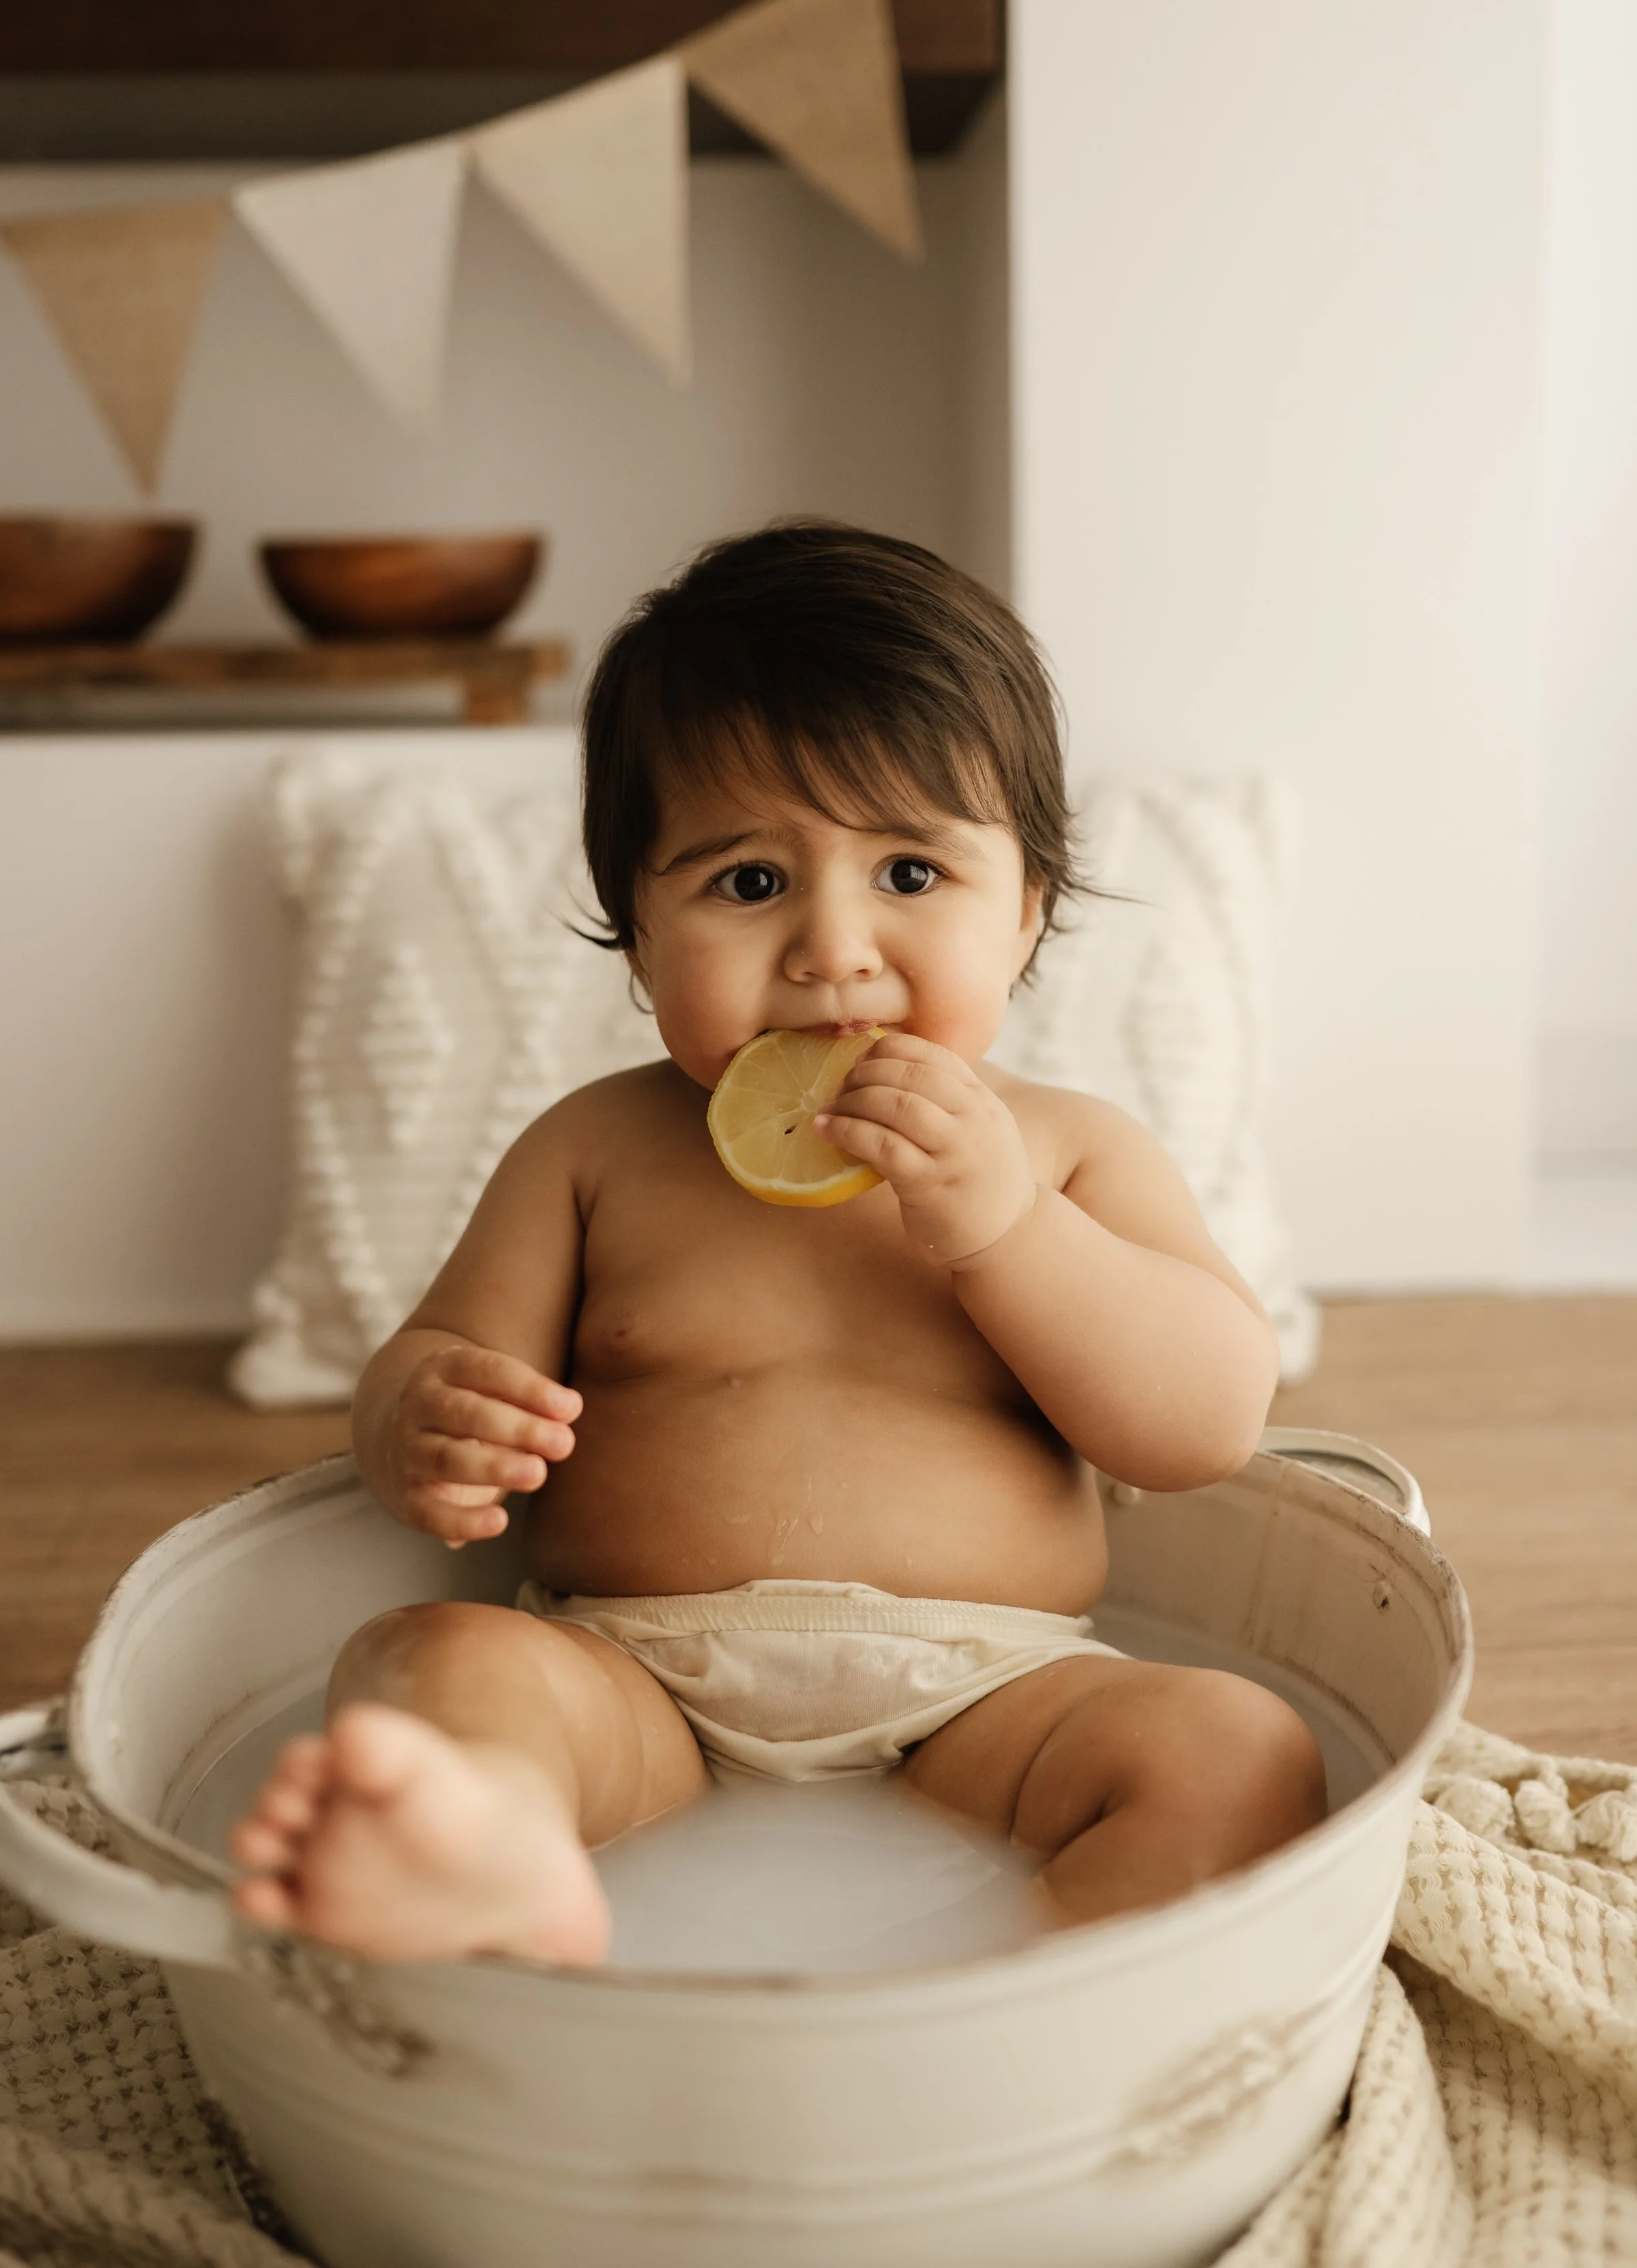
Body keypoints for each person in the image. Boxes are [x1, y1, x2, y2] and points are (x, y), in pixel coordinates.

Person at [230, 521, 1325, 1964]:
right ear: (637, 936)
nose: (831, 947)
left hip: (995, 1699)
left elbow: (1203, 1423)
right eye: (748, 882)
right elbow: (432, 1359)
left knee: (1238, 1748)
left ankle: (1021, 1980)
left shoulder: (1063, 1152)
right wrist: (423, 1423)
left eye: (912, 875)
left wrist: (1007, 1231)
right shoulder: (592, 1152)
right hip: (631, 1685)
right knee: (429, 1663)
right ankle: (497, 1853)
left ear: (1027, 917)